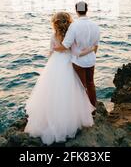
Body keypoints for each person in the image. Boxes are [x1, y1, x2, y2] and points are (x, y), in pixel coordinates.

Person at [24, 12, 96, 145]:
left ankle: (48, 119)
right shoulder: (71, 36)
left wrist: (51, 62)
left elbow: (51, 51)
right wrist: (91, 49)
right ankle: (69, 120)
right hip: (68, 63)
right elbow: (76, 52)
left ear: (55, 24)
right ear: (68, 22)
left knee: (51, 91)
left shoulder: (53, 36)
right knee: (70, 91)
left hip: (55, 64)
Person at [54, 1, 100, 107]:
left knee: (81, 86)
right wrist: (92, 56)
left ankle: (83, 111)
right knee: (91, 83)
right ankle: (93, 108)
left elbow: (66, 45)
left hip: (78, 61)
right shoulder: (95, 25)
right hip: (91, 60)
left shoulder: (74, 26)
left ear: (76, 11)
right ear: (86, 10)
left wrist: (55, 49)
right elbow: (96, 45)